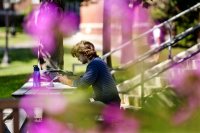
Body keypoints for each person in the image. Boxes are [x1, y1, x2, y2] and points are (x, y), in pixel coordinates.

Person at [58, 40, 121, 107]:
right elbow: (85, 79)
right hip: (109, 102)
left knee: (74, 105)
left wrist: (66, 81)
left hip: (109, 104)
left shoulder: (94, 63)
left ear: (84, 53)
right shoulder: (98, 61)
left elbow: (83, 84)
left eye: (78, 56)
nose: (78, 59)